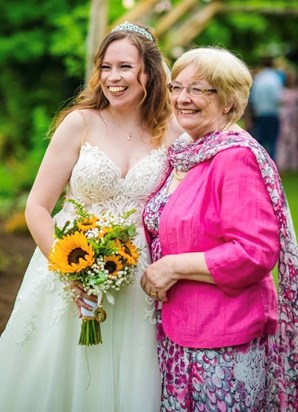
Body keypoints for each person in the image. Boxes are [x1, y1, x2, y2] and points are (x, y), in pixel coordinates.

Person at [0, 22, 182, 412]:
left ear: (149, 72)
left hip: (136, 276)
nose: (113, 78)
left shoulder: (168, 130)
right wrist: (71, 271)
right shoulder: (80, 123)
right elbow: (36, 207)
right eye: (106, 67)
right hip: (68, 261)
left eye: (125, 67)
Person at [141, 47, 298, 411]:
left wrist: (172, 267)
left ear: (228, 101)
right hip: (178, 329)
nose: (182, 98)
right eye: (176, 87)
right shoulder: (187, 152)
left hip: (222, 338)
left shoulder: (235, 157)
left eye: (198, 89)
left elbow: (255, 253)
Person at [250, 55, 283, 161]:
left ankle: (261, 161)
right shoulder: (275, 78)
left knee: (261, 140)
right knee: (272, 140)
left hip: (260, 113)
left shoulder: (259, 77)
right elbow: (278, 97)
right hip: (273, 112)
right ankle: (272, 162)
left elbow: (253, 97)